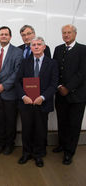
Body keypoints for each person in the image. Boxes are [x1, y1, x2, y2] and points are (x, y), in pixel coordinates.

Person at [15, 37, 58, 167]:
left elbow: (54, 84)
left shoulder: (52, 63)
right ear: (31, 47)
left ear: (44, 47)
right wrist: (23, 96)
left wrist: (43, 97)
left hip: (42, 103)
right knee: (26, 129)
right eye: (34, 45)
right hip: (26, 103)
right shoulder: (24, 62)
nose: (36, 47)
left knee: (40, 130)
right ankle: (26, 153)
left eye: (39, 44)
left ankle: (38, 155)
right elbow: (17, 82)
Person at [53, 24, 86, 165]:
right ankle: (62, 145)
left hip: (77, 96)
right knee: (62, 122)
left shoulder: (83, 50)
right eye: (64, 33)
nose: (66, 35)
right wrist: (60, 86)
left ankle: (69, 152)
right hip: (60, 94)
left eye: (69, 32)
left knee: (74, 125)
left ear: (75, 34)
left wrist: (68, 87)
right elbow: (55, 70)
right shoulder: (58, 49)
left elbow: (82, 73)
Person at [0, 26, 23, 155]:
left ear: (10, 37)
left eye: (6, 34)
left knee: (10, 120)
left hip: (10, 92)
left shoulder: (17, 52)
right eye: (1, 34)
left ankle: (10, 144)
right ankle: (1, 143)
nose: (3, 36)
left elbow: (17, 72)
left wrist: (4, 86)